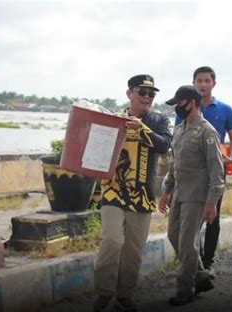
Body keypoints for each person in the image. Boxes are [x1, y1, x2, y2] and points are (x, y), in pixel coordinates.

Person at [93, 74, 172, 312]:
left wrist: (142, 129)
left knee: (133, 248)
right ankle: (103, 293)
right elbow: (97, 148)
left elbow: (164, 145)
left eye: (151, 94)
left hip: (143, 194)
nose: (147, 97)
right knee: (112, 240)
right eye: (142, 92)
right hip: (112, 191)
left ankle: (125, 294)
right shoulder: (113, 119)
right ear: (129, 93)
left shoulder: (159, 120)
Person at [159, 85, 225, 306]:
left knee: (187, 243)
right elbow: (173, 164)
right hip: (178, 192)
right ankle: (202, 276)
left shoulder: (207, 132)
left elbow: (217, 171)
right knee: (173, 235)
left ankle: (185, 290)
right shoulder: (179, 129)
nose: (177, 108)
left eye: (179, 103)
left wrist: (211, 203)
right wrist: (166, 191)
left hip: (197, 195)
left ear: (192, 103)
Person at [175, 66, 232, 274]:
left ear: (213, 83)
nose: (203, 84)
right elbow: (179, 138)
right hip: (191, 173)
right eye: (199, 81)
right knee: (189, 224)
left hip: (214, 167)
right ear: (193, 83)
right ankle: (198, 265)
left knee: (212, 215)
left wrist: (229, 156)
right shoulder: (184, 108)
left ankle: (207, 260)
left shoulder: (225, 109)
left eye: (206, 81)